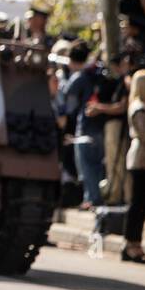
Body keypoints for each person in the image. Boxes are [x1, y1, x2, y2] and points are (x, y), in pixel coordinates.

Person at [58, 41, 106, 210]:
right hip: (101, 124)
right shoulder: (99, 73)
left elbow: (66, 99)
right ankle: (90, 197)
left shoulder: (79, 77)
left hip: (85, 126)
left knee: (86, 165)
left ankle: (93, 199)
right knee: (97, 164)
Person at [123, 69, 145, 262]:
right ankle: (131, 243)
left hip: (143, 158)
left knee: (141, 204)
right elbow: (144, 133)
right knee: (137, 204)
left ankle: (135, 243)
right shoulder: (139, 107)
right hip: (140, 159)